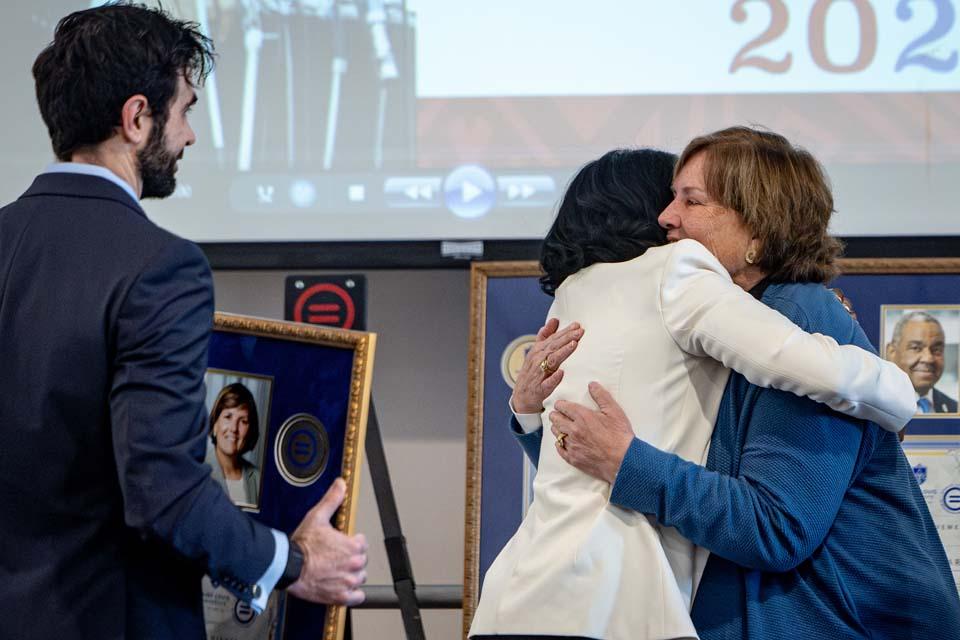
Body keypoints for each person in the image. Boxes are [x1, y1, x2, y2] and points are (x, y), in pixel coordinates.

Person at [0, 5, 366, 638]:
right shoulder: (163, 267)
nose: (191, 136)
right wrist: (292, 563)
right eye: (185, 110)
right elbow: (161, 490)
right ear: (138, 118)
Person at [509, 127, 960, 638]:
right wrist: (534, 414)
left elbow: (775, 529)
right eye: (670, 197)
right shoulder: (710, 324)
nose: (666, 217)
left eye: (691, 200)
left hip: (834, 622)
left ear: (757, 229)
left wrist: (626, 460)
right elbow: (617, 469)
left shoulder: (800, 319)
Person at [886, 311, 958, 414]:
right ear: (891, 352)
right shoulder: (875, 406)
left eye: (936, 350)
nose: (928, 358)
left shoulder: (954, 408)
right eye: (916, 348)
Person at [206, 382, 263, 506]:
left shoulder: (258, 478)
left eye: (243, 421)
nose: (234, 428)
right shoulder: (198, 471)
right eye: (228, 417)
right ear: (215, 424)